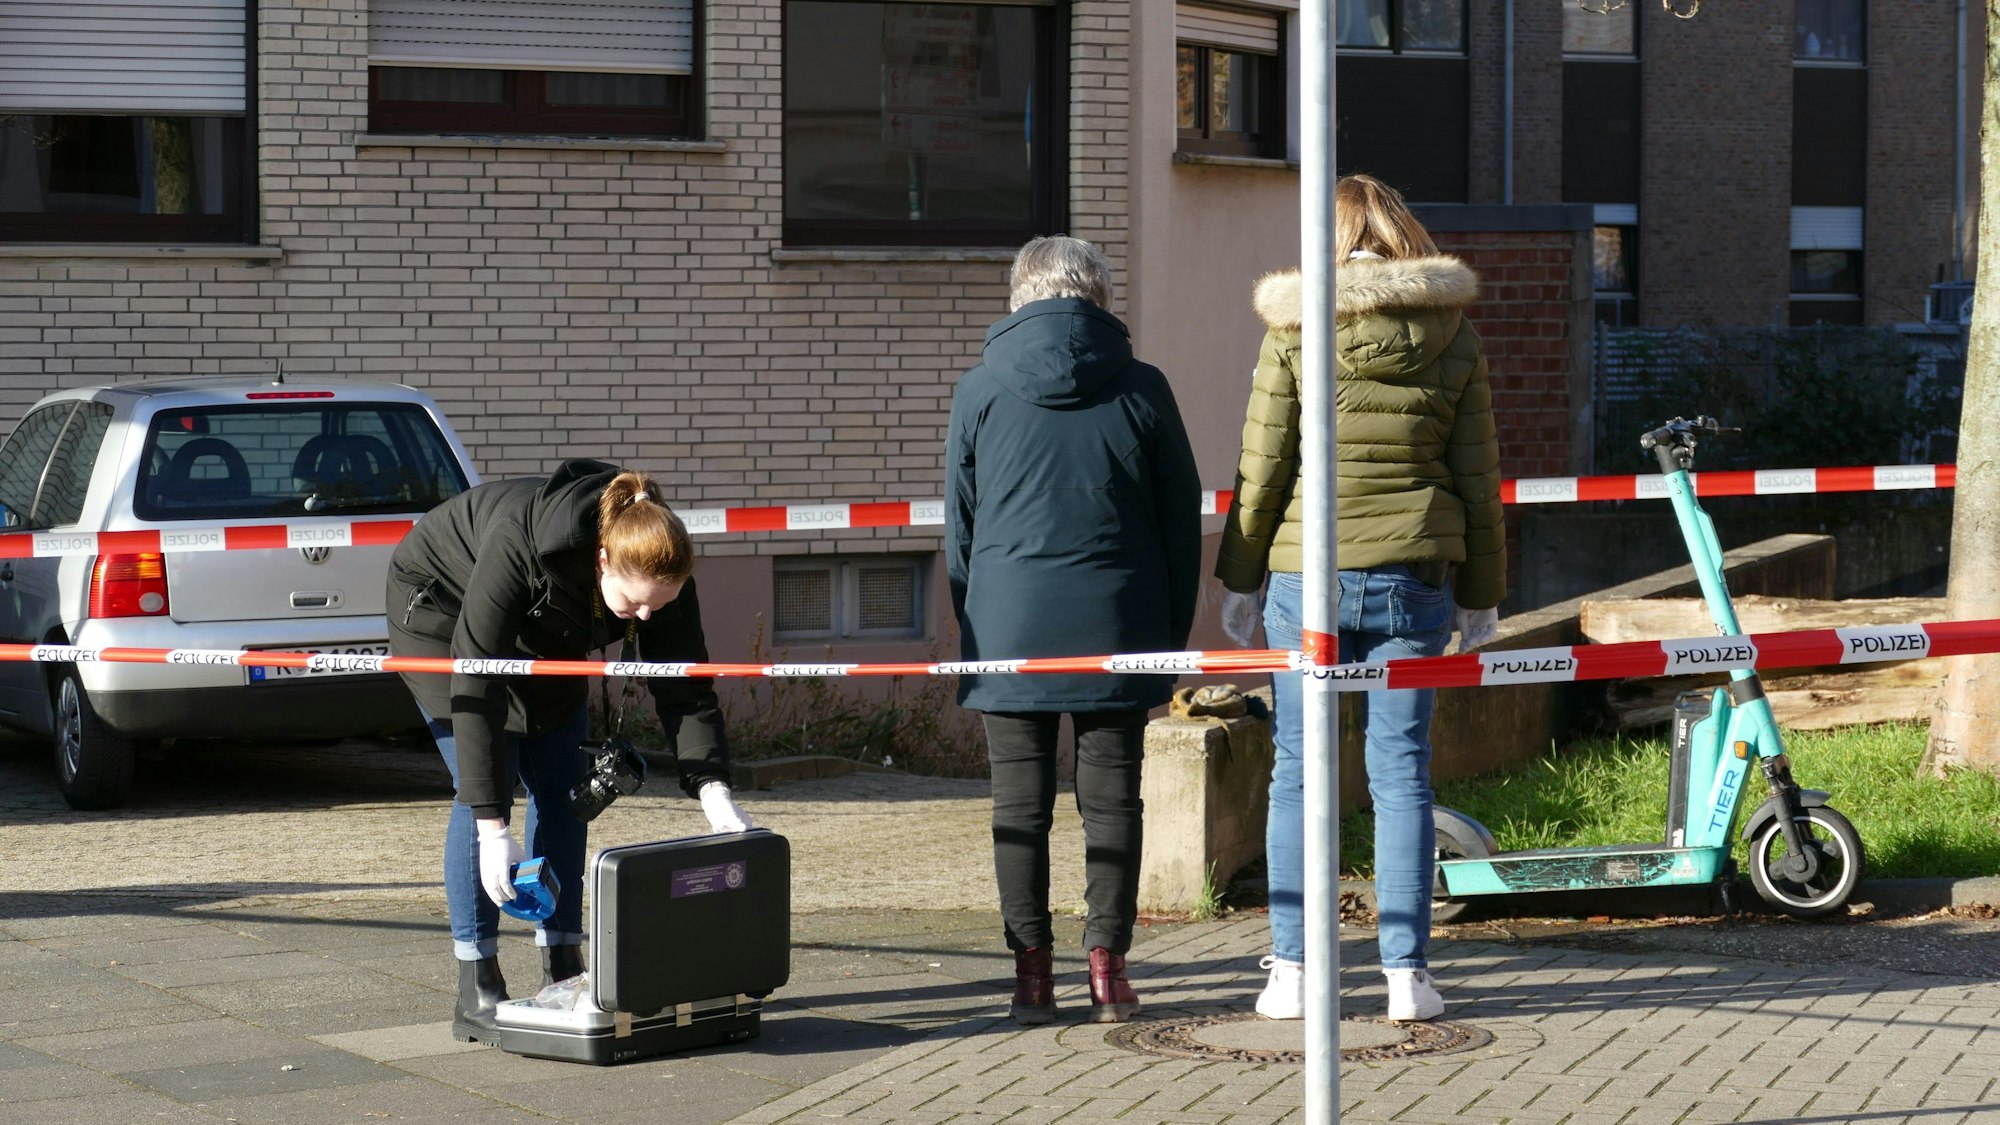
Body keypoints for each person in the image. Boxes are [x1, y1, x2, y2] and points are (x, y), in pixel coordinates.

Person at [1215, 174, 1505, 1023]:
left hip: (1305, 578)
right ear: (1403, 236)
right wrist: (1482, 595)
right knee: (1402, 775)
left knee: (1300, 772)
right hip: (1414, 578)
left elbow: (1261, 467)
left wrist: (1239, 578)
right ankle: (1408, 976)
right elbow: (1478, 481)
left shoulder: (1293, 330)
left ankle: (1294, 971)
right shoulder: (1453, 334)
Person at [387, 458, 752, 1043]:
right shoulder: (521, 541)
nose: (645, 616)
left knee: (562, 785)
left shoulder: (658, 573)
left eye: (658, 606)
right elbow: (477, 682)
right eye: (633, 606)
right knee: (486, 784)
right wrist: (491, 826)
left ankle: (564, 966)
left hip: (551, 631)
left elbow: (685, 685)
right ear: (602, 559)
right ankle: (476, 986)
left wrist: (713, 790)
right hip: (441, 610)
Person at [946, 235, 1201, 1025]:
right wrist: (1166, 633)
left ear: (1020, 295)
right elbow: (1180, 526)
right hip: (1119, 617)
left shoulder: (979, 389)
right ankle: (1108, 971)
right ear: (1100, 296)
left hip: (1008, 622)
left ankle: (1029, 976)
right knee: (1113, 801)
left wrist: (975, 619)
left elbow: (960, 527)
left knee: (1017, 806)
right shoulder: (1145, 387)